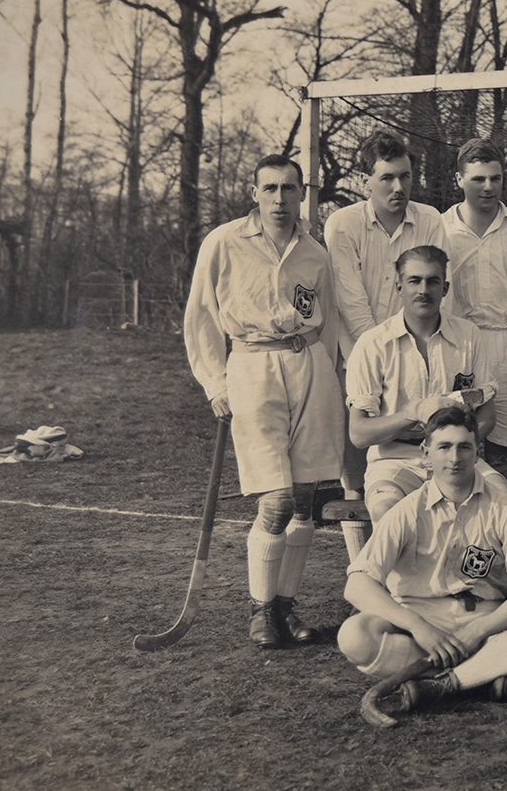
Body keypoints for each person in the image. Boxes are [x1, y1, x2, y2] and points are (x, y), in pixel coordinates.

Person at [184, 153, 344, 648]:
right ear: (254, 193)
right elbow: (201, 317)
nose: (280, 198)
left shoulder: (315, 252)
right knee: (273, 501)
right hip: (252, 368)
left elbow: (330, 322)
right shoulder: (224, 242)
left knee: (303, 500)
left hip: (310, 365)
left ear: (302, 194)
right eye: (270, 188)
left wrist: (334, 377)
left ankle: (284, 609)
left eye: (289, 189)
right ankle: (259, 612)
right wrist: (215, 383)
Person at [338, 406, 507, 723]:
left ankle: (446, 684)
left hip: (486, 622)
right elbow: (358, 584)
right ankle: (487, 671)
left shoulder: (504, 507)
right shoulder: (407, 510)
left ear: (477, 453)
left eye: (464, 447)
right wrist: (417, 627)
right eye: (444, 447)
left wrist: (480, 630)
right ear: (426, 452)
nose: (454, 458)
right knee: (354, 634)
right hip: (424, 622)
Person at [323, 128, 449, 560]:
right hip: (360, 353)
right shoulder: (342, 224)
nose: (398, 187)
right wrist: (381, 352)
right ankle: (363, 567)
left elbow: (432, 286)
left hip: (420, 351)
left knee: (420, 450)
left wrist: (416, 351)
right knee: (357, 469)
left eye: (406, 177)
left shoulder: (431, 220)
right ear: (365, 181)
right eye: (387, 178)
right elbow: (351, 300)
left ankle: (426, 560)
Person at [343, 245, 507, 559]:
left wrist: (458, 441)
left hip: (457, 456)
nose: (424, 290)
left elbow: (487, 413)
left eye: (433, 281)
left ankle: (485, 596)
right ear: (399, 287)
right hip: (395, 461)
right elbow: (359, 433)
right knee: (388, 509)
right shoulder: (372, 343)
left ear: (445, 288)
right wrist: (412, 414)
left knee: (505, 500)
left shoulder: (468, 335)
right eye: (414, 281)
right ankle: (399, 601)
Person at [441, 138, 507, 486]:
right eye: (478, 179)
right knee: (456, 438)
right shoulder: (440, 227)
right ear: (458, 180)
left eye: (495, 179)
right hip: (458, 344)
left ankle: (497, 529)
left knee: (502, 448)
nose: (488, 187)